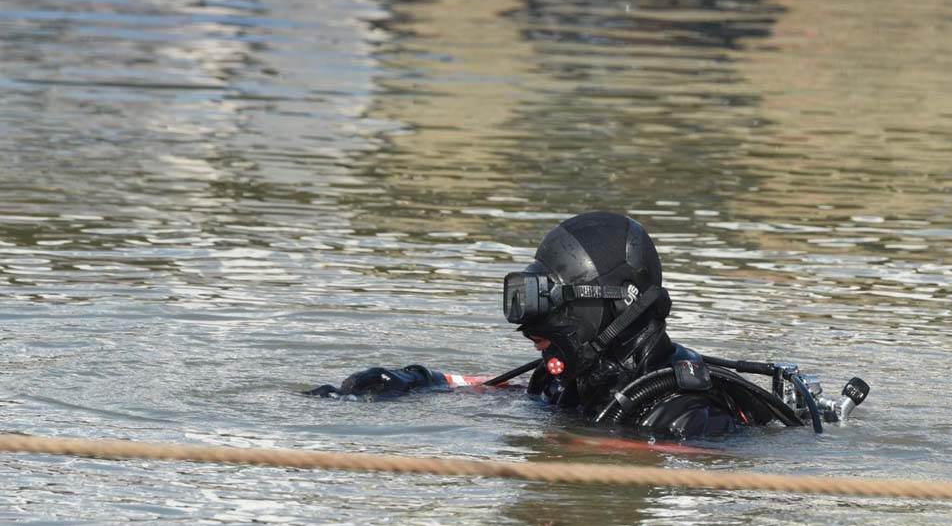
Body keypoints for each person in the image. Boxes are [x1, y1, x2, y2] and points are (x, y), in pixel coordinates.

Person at [306, 211, 860, 439]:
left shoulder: (685, 416)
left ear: (607, 311)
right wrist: (414, 380)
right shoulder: (567, 378)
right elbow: (494, 394)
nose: (530, 328)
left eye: (552, 307)